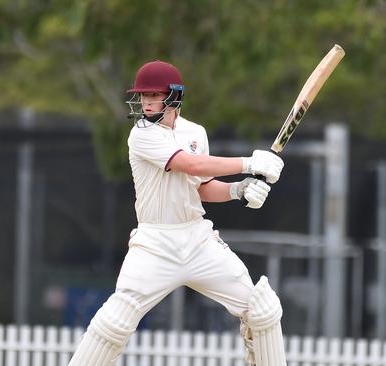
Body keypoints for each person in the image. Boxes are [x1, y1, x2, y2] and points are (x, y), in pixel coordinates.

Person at [68, 60, 286, 365]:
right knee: (114, 322)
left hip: (197, 238)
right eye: (143, 96)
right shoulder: (141, 134)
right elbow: (190, 164)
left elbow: (201, 186)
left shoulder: (196, 132)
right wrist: (249, 164)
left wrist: (238, 190)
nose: (146, 102)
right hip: (155, 242)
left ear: (174, 96)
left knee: (261, 308)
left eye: (154, 95)